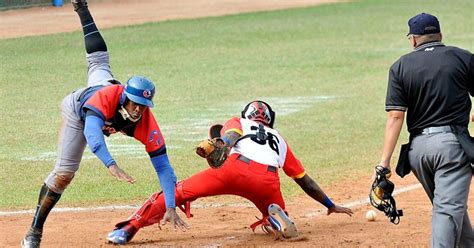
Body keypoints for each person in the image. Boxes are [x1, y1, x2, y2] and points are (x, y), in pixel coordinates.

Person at [21, 1, 188, 247]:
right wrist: (110, 164)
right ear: (125, 98)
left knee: (99, 61)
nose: (139, 110)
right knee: (65, 173)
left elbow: (164, 167)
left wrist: (171, 205)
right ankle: (34, 232)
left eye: (144, 106)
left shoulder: (144, 120)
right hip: (80, 110)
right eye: (135, 104)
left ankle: (81, 7)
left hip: (103, 87)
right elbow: (91, 131)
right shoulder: (107, 98)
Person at [106, 100, 353, 244]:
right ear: (270, 121)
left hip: (233, 169)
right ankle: (276, 217)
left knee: (177, 192)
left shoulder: (239, 121)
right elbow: (305, 181)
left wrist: (222, 143)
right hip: (267, 180)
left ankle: (128, 229)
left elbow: (231, 135)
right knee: (273, 208)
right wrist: (329, 204)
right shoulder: (280, 140)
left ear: (248, 115)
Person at [377, 13, 474, 247]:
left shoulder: (400, 66)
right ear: (440, 35)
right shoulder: (463, 58)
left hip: (418, 153)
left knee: (448, 208)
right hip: (452, 150)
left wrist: (384, 163)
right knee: (447, 211)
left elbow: (395, 116)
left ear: (413, 40)